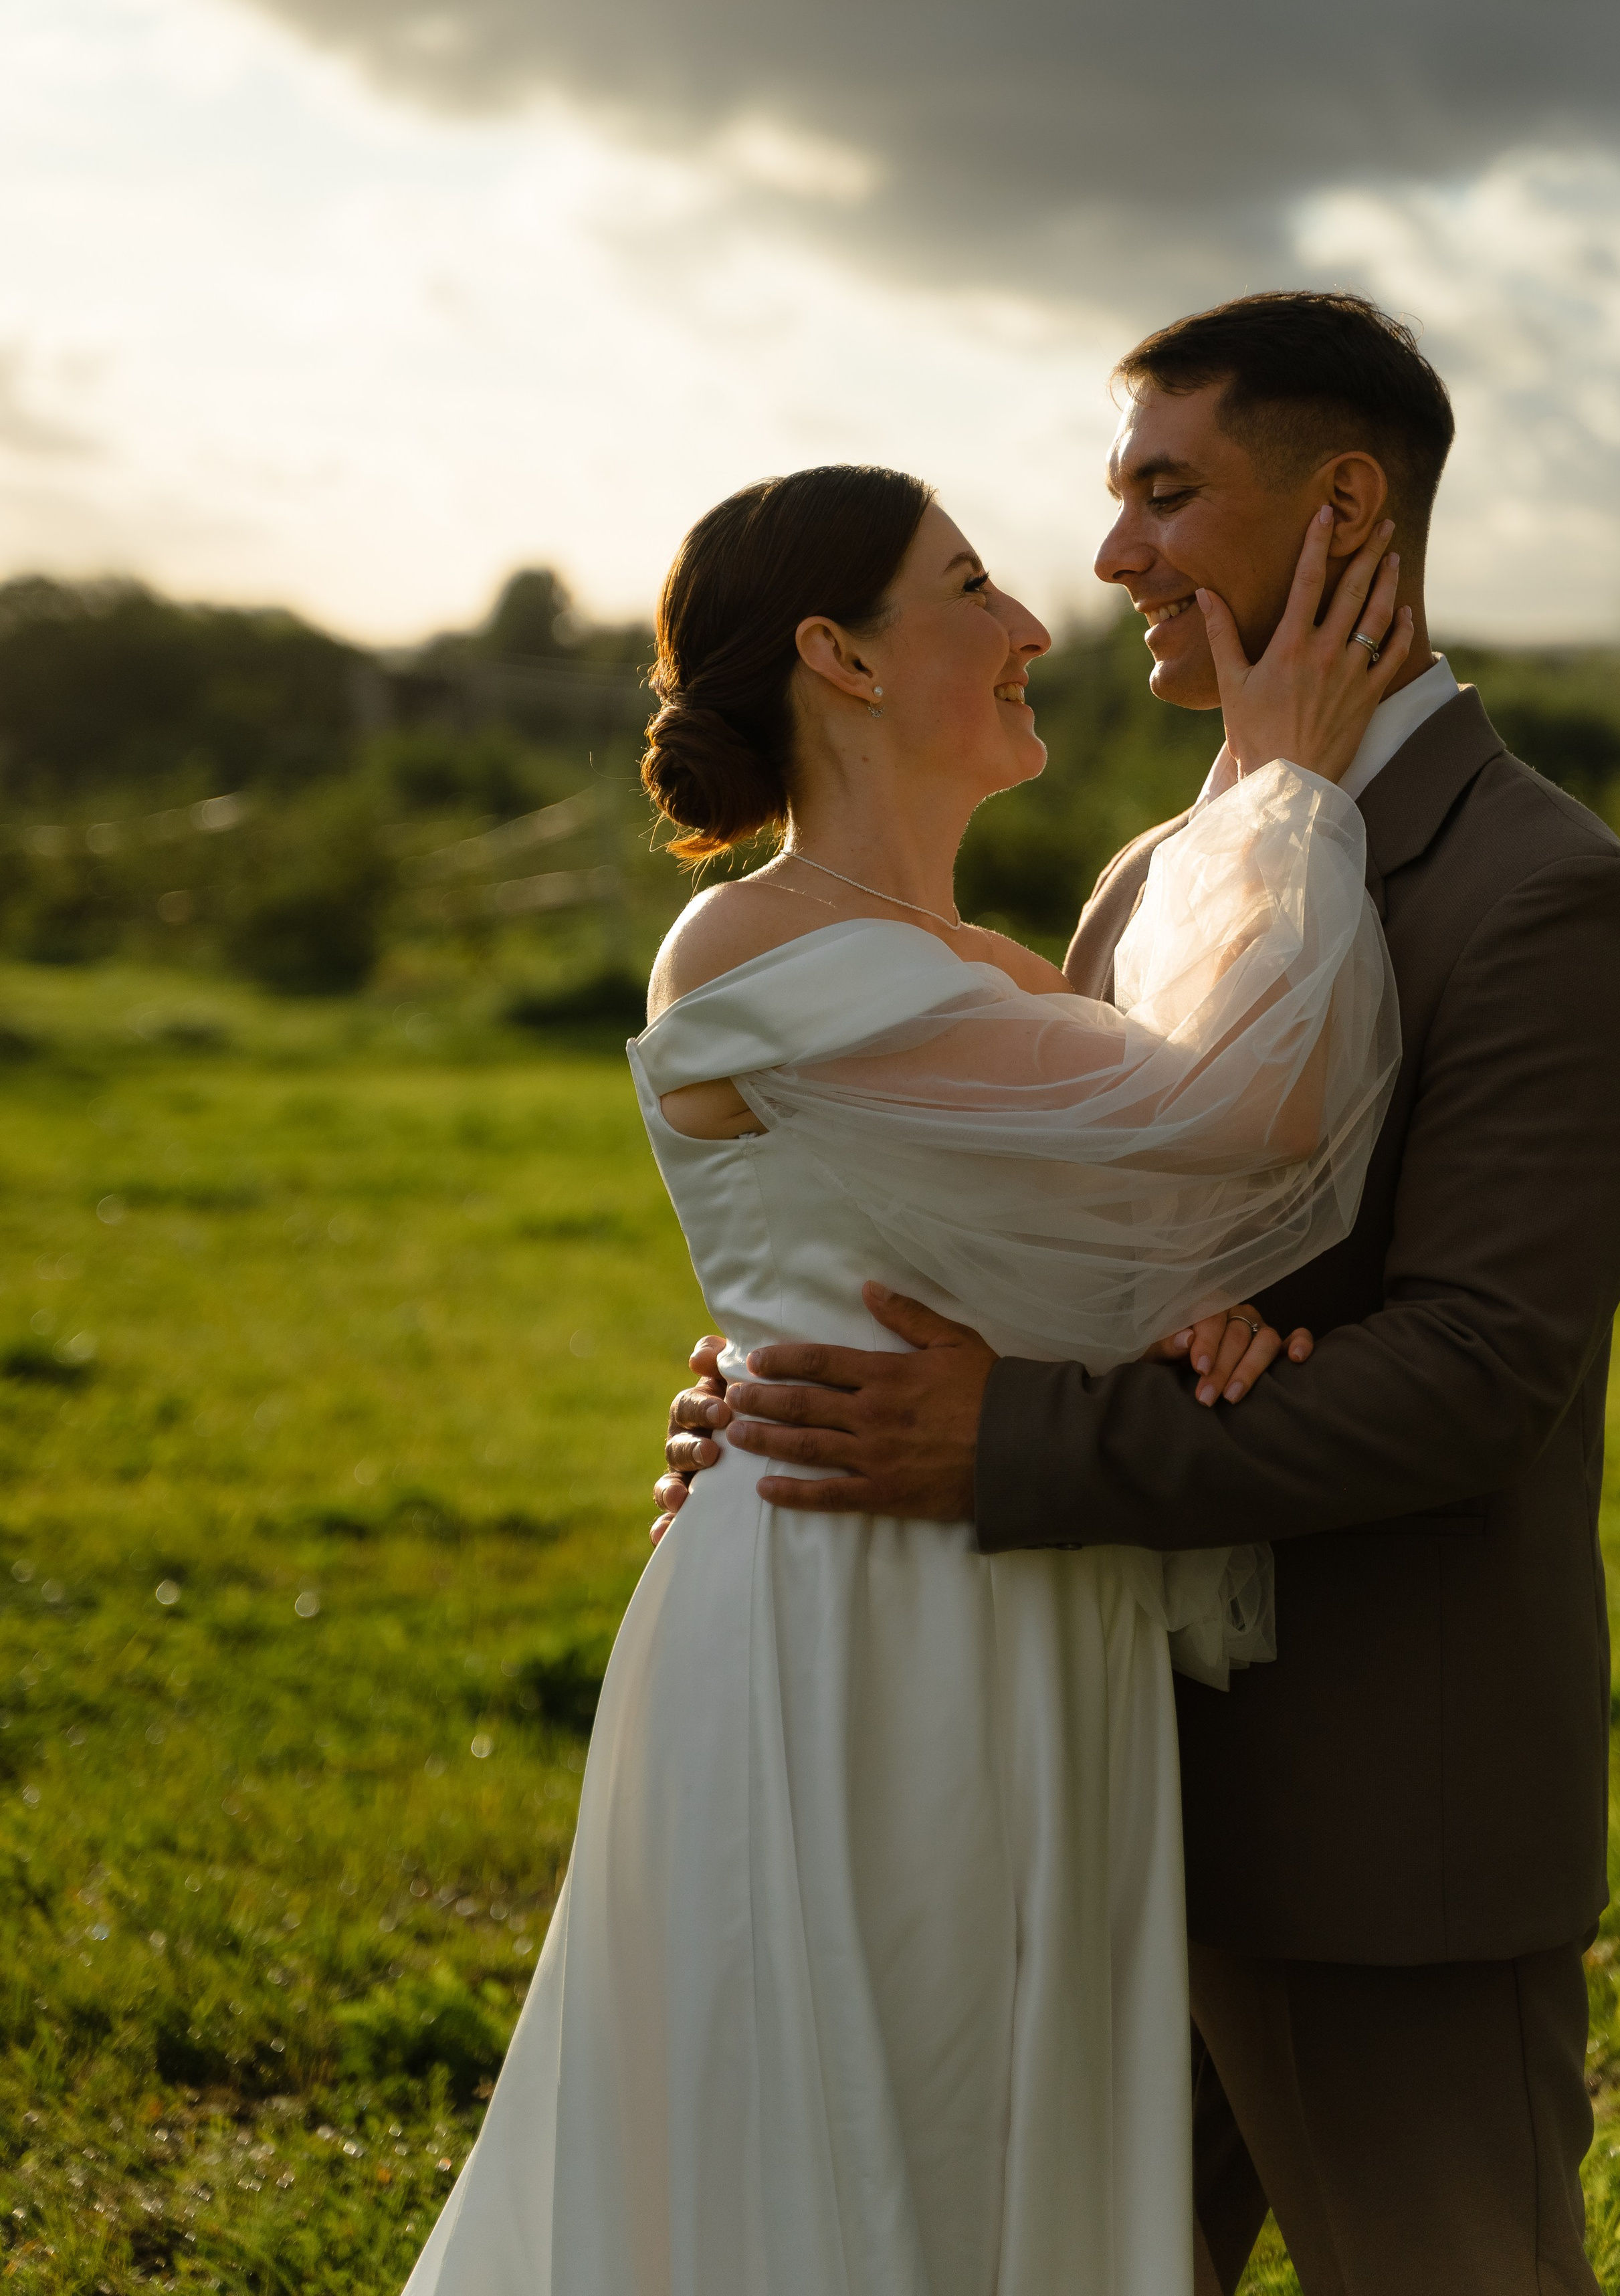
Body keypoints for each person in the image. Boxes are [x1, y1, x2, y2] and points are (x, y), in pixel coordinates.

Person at [655, 294, 1620, 2295]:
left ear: (1346, 506)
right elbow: (1040, 1239)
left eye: (1163, 492)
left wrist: (994, 1430)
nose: (1112, 555)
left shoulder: (1540, 892)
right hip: (1079, 1783)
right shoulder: (1141, 878)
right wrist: (791, 1375)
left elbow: (1477, 1378)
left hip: (1373, 1834)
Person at [402, 449, 1413, 2295]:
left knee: (993, 2137)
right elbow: (1249, 1105)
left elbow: (1178, 1215)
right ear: (839, 656)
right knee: (858, 2130)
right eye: (971, 589)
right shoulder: (752, 942)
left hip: (1041, 1601)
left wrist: (1222, 1313)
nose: (1036, 623)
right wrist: (1285, 785)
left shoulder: (1015, 979)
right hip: (858, 1609)